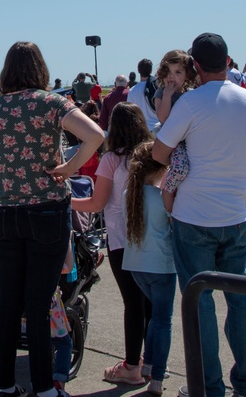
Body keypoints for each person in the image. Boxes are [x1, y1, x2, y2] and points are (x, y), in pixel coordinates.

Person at [0, 41, 103, 397]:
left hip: (3, 211)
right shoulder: (50, 103)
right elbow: (95, 136)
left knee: (8, 301)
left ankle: (5, 384)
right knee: (38, 304)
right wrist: (67, 169)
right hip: (46, 209)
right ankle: (44, 387)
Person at [152, 32, 246, 397]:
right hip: (235, 215)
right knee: (241, 302)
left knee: (200, 305)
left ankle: (209, 387)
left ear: (195, 67)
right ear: (228, 61)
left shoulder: (191, 103)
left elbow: (158, 152)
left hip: (194, 216)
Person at [73, 103, 153, 386]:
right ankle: (154, 362)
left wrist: (66, 200)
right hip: (153, 238)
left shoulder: (112, 160)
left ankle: (132, 365)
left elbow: (97, 203)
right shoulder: (153, 154)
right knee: (152, 304)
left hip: (122, 238)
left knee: (133, 303)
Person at [123, 141, 175, 396]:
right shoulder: (161, 198)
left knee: (155, 318)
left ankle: (149, 365)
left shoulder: (129, 196)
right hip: (162, 265)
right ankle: (156, 376)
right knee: (163, 320)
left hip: (136, 265)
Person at [127, 58, 160, 131]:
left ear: (138, 70)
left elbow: (131, 113)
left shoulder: (132, 91)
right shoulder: (157, 87)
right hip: (158, 127)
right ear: (151, 70)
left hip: (143, 129)